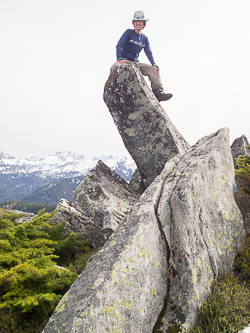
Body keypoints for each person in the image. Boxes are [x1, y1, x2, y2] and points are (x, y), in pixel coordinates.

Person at [110, 10, 173, 102]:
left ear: (144, 24)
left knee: (153, 69)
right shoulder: (128, 32)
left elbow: (148, 52)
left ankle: (158, 92)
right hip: (124, 60)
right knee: (115, 67)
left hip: (135, 63)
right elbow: (119, 44)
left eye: (140, 22)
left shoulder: (144, 39)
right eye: (136, 21)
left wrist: (153, 63)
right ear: (133, 23)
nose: (138, 23)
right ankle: (113, 89)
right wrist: (119, 57)